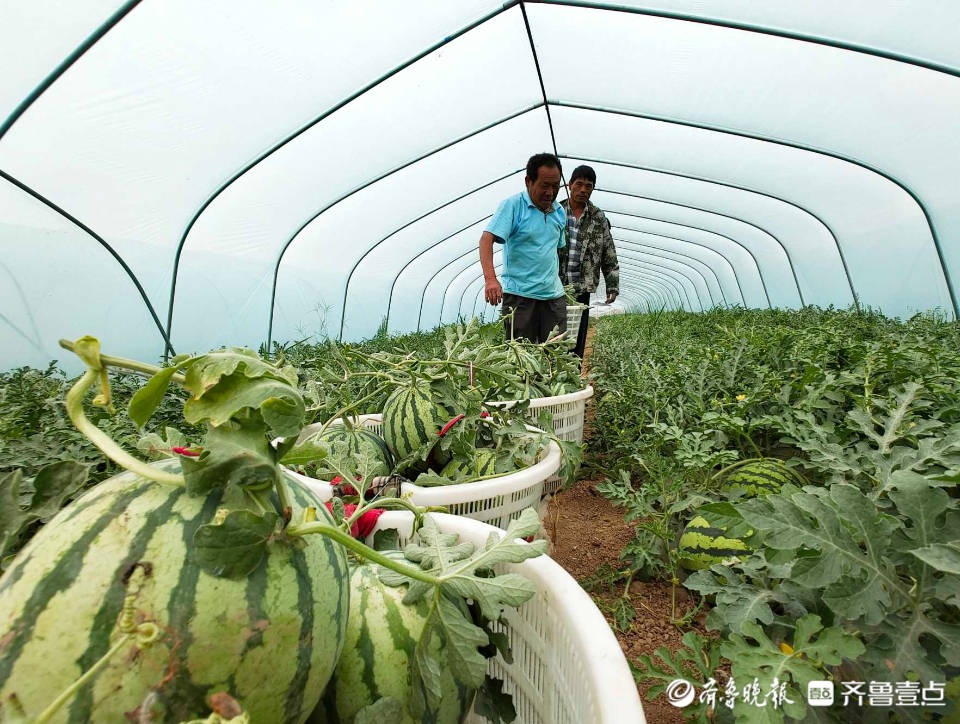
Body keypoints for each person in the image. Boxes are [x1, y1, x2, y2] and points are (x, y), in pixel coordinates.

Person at [480, 153, 567, 343]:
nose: (550, 192)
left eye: (555, 186)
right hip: (520, 298)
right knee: (522, 359)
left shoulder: (559, 212)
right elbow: (486, 239)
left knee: (558, 357)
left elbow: (555, 250)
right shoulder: (513, 206)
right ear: (529, 181)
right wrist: (490, 280)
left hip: (553, 298)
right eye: (545, 185)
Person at [558, 165, 620, 358]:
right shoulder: (556, 211)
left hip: (581, 288)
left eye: (589, 186)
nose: (583, 190)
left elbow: (608, 251)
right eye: (579, 184)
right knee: (554, 336)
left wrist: (612, 285)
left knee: (577, 337)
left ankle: (573, 376)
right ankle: (551, 377)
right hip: (554, 286)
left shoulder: (598, 217)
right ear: (570, 185)